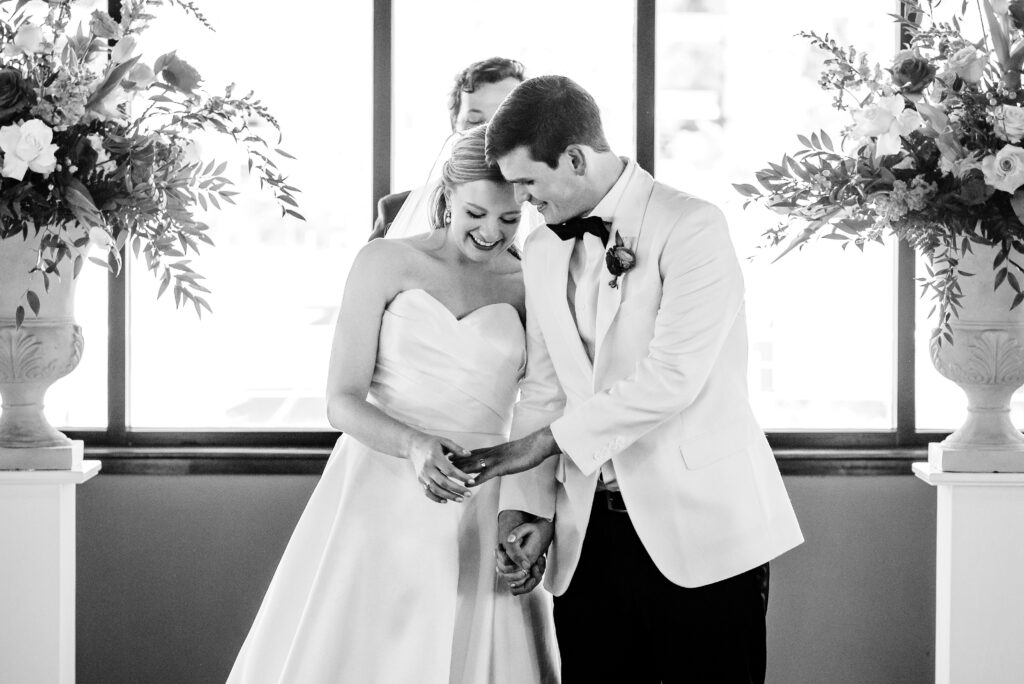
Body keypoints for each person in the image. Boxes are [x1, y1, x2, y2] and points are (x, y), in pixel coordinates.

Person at [451, 76, 805, 683]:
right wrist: (526, 510)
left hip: (703, 530)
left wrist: (540, 445)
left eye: (529, 183)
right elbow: (544, 387)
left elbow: (672, 379)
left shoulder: (693, 227)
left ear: (574, 159)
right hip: (588, 539)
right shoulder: (540, 251)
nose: (525, 203)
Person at [227, 126, 558, 684]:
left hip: (482, 498)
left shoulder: (529, 284)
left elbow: (543, 406)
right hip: (378, 489)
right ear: (447, 194)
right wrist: (415, 444)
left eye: (510, 219)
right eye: (476, 212)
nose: (491, 232)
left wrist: (530, 512)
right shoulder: (383, 262)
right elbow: (341, 400)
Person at [369, 57, 525, 240]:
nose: (487, 135)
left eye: (505, 122)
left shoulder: (547, 210)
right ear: (454, 125)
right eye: (475, 122)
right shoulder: (396, 210)